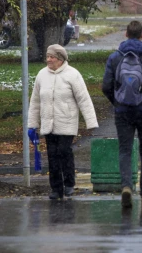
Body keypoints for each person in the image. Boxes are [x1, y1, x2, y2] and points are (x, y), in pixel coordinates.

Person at [102, 20, 142, 208]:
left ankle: (126, 187)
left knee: (125, 150)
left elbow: (106, 86)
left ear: (126, 34)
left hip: (123, 111)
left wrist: (117, 101)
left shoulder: (114, 58)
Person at [28, 44, 98, 200]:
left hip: (67, 122)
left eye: (51, 57)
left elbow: (83, 99)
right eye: (47, 57)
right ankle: (56, 188)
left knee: (63, 151)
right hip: (48, 123)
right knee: (52, 155)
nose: (48, 60)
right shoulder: (41, 75)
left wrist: (91, 122)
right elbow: (35, 102)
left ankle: (69, 183)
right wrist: (32, 124)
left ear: (60, 59)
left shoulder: (72, 75)